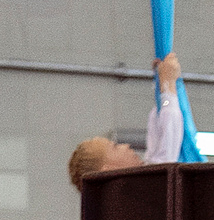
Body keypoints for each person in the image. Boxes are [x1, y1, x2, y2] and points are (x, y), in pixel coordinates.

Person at [66, 53, 185, 190]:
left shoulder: (136, 188)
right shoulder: (143, 190)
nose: (126, 146)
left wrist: (161, 85)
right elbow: (166, 156)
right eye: (115, 147)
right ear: (109, 170)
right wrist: (168, 85)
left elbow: (157, 147)